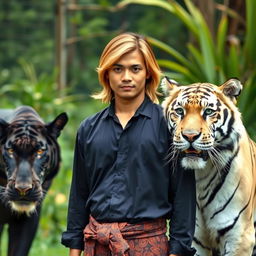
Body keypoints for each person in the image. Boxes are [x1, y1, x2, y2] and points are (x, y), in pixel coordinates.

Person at [61, 32, 196, 256]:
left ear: (148, 74)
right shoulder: (88, 129)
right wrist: (75, 250)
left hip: (150, 247)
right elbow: (79, 194)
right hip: (97, 246)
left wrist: (177, 251)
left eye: (135, 69)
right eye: (117, 69)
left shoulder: (170, 127)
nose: (126, 77)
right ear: (106, 74)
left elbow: (183, 195)